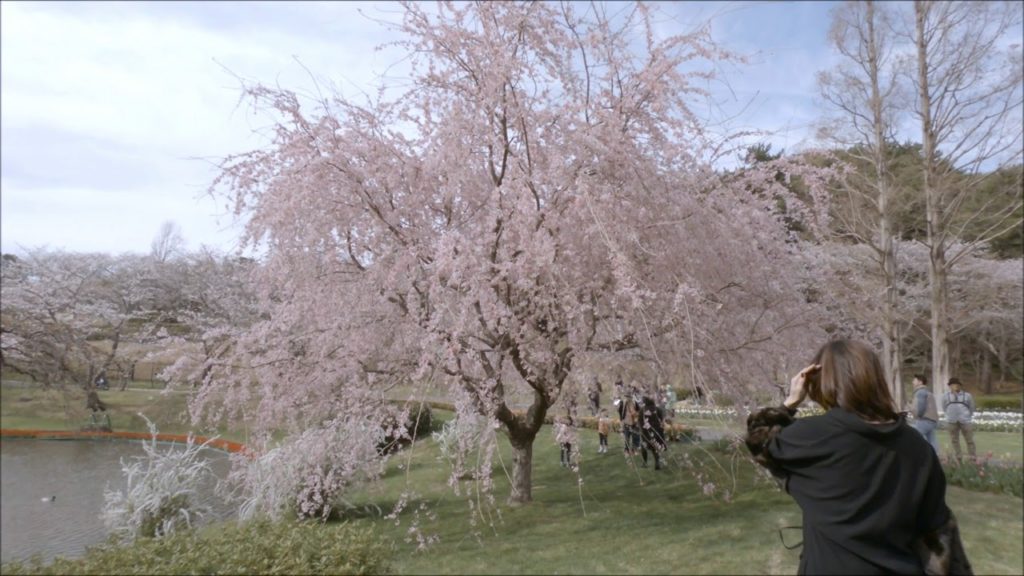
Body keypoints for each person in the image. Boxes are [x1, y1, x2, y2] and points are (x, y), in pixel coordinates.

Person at [745, 340, 971, 575]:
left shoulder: (808, 438)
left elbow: (758, 439)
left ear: (820, 382)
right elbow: (938, 533)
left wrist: (790, 402)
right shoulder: (917, 446)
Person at [942, 377, 977, 460]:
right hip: (951, 421)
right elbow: (944, 407)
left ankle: (972, 457)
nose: (955, 386)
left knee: (969, 440)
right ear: (950, 386)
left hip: (965, 420)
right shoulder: (945, 396)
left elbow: (971, 407)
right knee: (954, 440)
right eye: (953, 385)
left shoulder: (967, 395)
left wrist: (968, 415)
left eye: (957, 385)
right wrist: (949, 415)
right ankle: (958, 456)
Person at [911, 374, 940, 454]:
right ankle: (936, 457)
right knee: (932, 440)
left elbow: (921, 406)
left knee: (914, 437)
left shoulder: (920, 392)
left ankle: (919, 456)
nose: (912, 382)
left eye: (914, 380)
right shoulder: (927, 392)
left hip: (924, 419)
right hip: (932, 420)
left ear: (920, 382)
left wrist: (918, 415)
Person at [639, 396, 666, 470]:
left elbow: (640, 422)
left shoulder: (642, 410)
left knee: (644, 446)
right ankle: (657, 463)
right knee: (655, 447)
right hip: (657, 431)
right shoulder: (657, 409)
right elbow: (662, 420)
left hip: (646, 432)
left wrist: (641, 429)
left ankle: (645, 463)